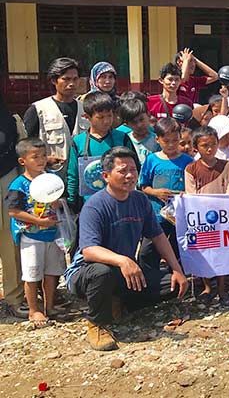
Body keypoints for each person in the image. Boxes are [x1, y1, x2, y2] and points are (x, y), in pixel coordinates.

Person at [64, 147, 188, 351]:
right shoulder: (95, 205)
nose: (130, 175)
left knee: (173, 285)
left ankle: (119, 302)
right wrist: (123, 260)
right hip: (88, 272)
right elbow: (89, 250)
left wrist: (177, 269)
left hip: (124, 273)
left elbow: (157, 236)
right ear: (106, 176)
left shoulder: (139, 199)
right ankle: (97, 323)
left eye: (133, 170)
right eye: (123, 171)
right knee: (102, 272)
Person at [6, 139, 65, 327]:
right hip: (31, 237)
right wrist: (38, 221)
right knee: (32, 274)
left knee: (52, 272)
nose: (41, 160)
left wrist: (58, 203)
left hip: (53, 234)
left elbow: (61, 200)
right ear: (22, 161)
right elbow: (13, 211)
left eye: (43, 156)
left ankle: (50, 306)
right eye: (35, 157)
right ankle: (33, 309)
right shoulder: (19, 184)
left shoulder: (51, 179)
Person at [184, 126, 229, 305]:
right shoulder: (191, 169)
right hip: (201, 218)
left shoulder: (225, 165)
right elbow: (191, 194)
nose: (210, 149)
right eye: (205, 145)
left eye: (213, 144)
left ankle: (222, 288)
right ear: (196, 147)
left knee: (221, 253)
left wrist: (222, 207)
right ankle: (207, 287)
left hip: (222, 216)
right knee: (204, 252)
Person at [23, 57, 89, 180]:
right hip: (50, 177)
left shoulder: (86, 109)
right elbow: (26, 145)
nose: (72, 84)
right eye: (66, 79)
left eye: (75, 79)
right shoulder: (38, 109)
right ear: (54, 80)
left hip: (81, 177)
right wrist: (44, 159)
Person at [139, 117, 192, 266]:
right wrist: (156, 192)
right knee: (147, 251)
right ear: (157, 139)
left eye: (175, 140)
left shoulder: (188, 161)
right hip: (156, 215)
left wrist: (185, 194)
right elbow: (143, 186)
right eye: (166, 141)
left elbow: (192, 187)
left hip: (178, 216)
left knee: (177, 249)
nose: (171, 144)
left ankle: (174, 276)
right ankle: (149, 276)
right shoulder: (152, 160)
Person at [67, 92, 130, 211]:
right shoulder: (78, 142)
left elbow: (134, 168)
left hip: (120, 202)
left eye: (109, 116)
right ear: (87, 117)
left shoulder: (122, 138)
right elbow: (73, 175)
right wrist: (71, 202)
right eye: (100, 117)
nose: (106, 121)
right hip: (90, 204)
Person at [0, 93, 25, 318]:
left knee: (11, 246)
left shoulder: (11, 120)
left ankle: (14, 298)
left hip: (7, 182)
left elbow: (23, 154)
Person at [118, 98, 160, 168]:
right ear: (126, 124)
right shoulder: (125, 141)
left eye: (141, 119)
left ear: (148, 115)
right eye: (134, 122)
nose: (139, 125)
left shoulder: (157, 140)